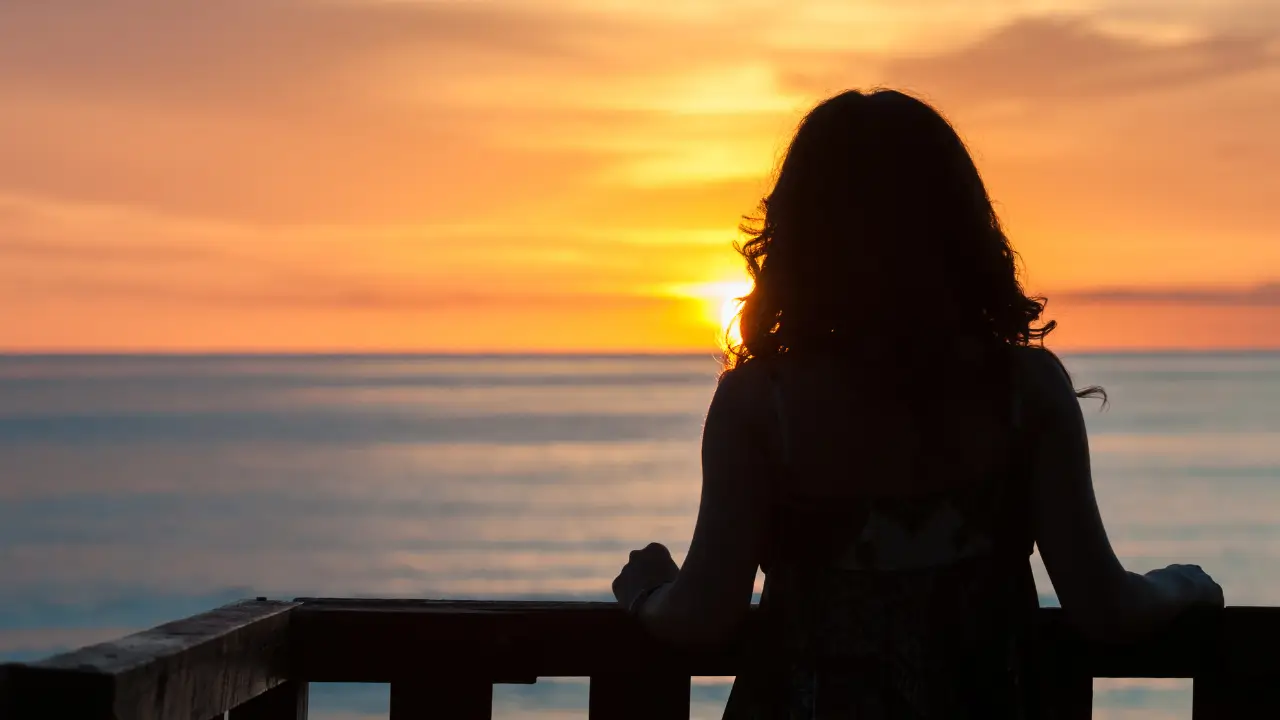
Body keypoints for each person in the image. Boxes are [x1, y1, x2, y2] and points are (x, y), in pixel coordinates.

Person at [611, 89, 1224, 718]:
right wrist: (1181, 585)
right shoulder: (1026, 391)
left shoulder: (761, 406)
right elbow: (1105, 608)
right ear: (963, 230)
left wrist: (646, 592)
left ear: (799, 240)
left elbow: (704, 615)